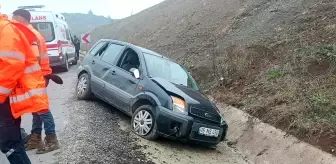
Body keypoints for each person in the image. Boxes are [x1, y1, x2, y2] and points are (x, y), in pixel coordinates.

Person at [0, 12, 49, 164]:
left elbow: (12, 66)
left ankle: (44, 138)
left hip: (6, 98)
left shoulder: (5, 30)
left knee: (10, 145)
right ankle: (37, 137)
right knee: (12, 143)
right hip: (11, 94)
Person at [12, 9, 60, 154]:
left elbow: (34, 59)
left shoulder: (28, 35)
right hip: (39, 75)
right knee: (36, 109)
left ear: (21, 19)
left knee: (42, 109)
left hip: (36, 77)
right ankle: (35, 138)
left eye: (14, 19)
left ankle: (52, 140)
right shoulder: (33, 33)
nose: (12, 22)